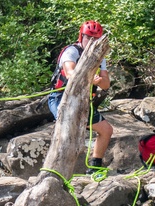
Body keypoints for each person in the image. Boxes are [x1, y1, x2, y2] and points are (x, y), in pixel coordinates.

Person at [48, 20, 113, 170]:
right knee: (66, 128)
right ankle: (56, 167)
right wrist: (91, 78)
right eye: (88, 37)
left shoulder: (99, 57)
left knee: (106, 130)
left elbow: (106, 84)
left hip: (83, 99)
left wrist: (98, 81)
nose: (92, 42)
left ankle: (95, 165)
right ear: (81, 36)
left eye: (95, 39)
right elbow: (71, 73)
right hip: (61, 97)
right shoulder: (71, 51)